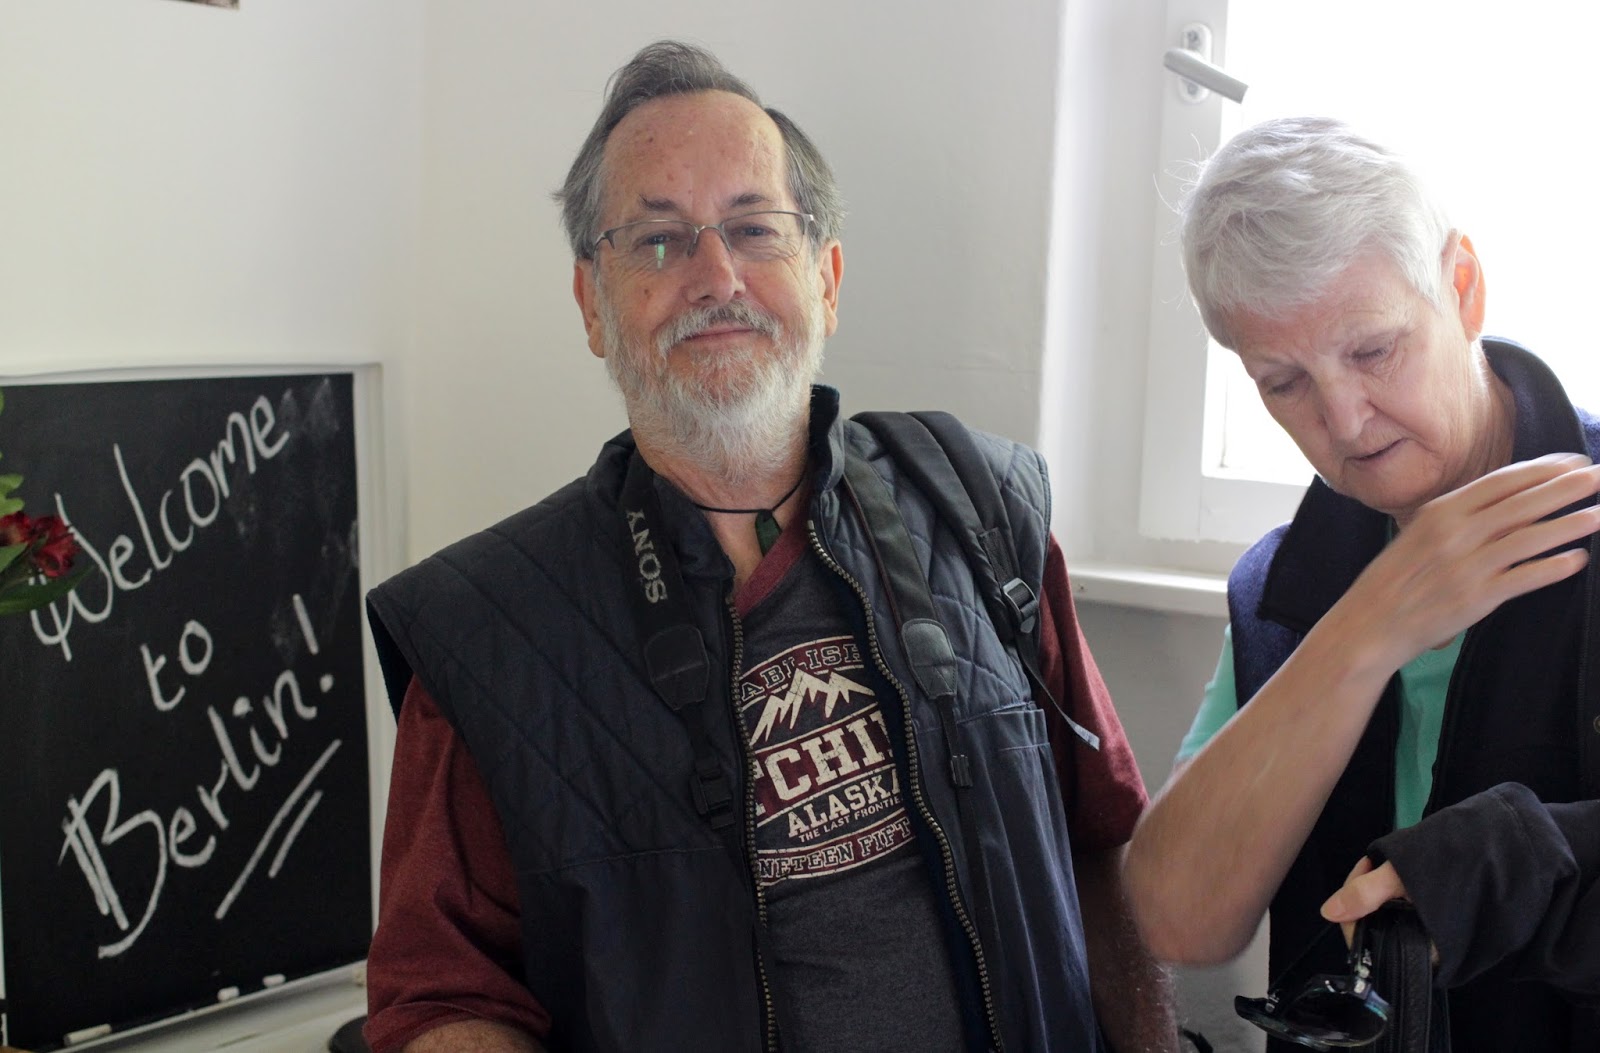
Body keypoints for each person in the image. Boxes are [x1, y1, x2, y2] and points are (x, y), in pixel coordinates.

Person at [363, 40, 1176, 1053]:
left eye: (754, 229)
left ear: (826, 279)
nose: (716, 276)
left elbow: (1100, 843)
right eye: (658, 241)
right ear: (591, 303)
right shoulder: (489, 633)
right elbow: (441, 996)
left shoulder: (979, 506)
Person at [1123, 116, 1600, 1051]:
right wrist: (1367, 626)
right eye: (1283, 382)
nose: (1343, 420)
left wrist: (1491, 863)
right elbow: (1178, 921)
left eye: (1374, 350)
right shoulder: (1281, 583)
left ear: (1463, 287)